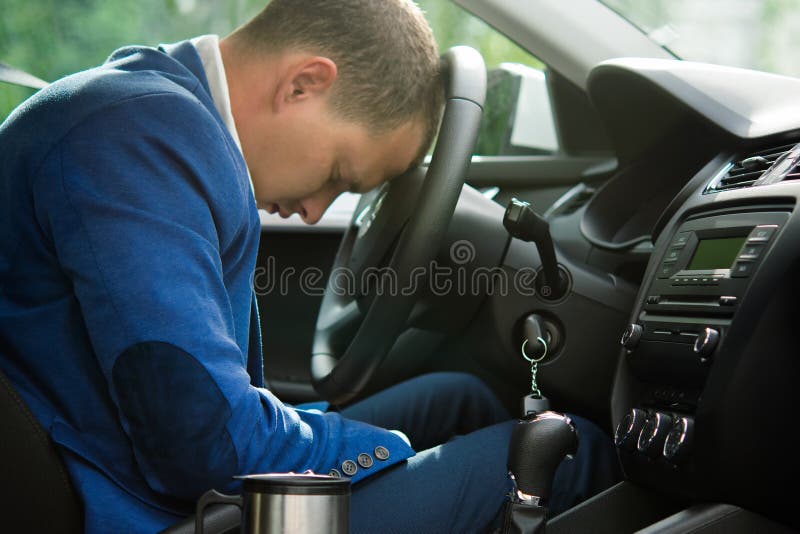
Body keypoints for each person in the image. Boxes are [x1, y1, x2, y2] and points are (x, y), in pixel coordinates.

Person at [0, 1, 620, 532]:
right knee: (568, 453)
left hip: (144, 469)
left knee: (463, 401)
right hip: (154, 510)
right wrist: (392, 454)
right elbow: (200, 439)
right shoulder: (137, 136)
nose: (314, 211)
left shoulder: (152, 112)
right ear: (303, 83)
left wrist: (375, 453)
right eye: (337, 175)